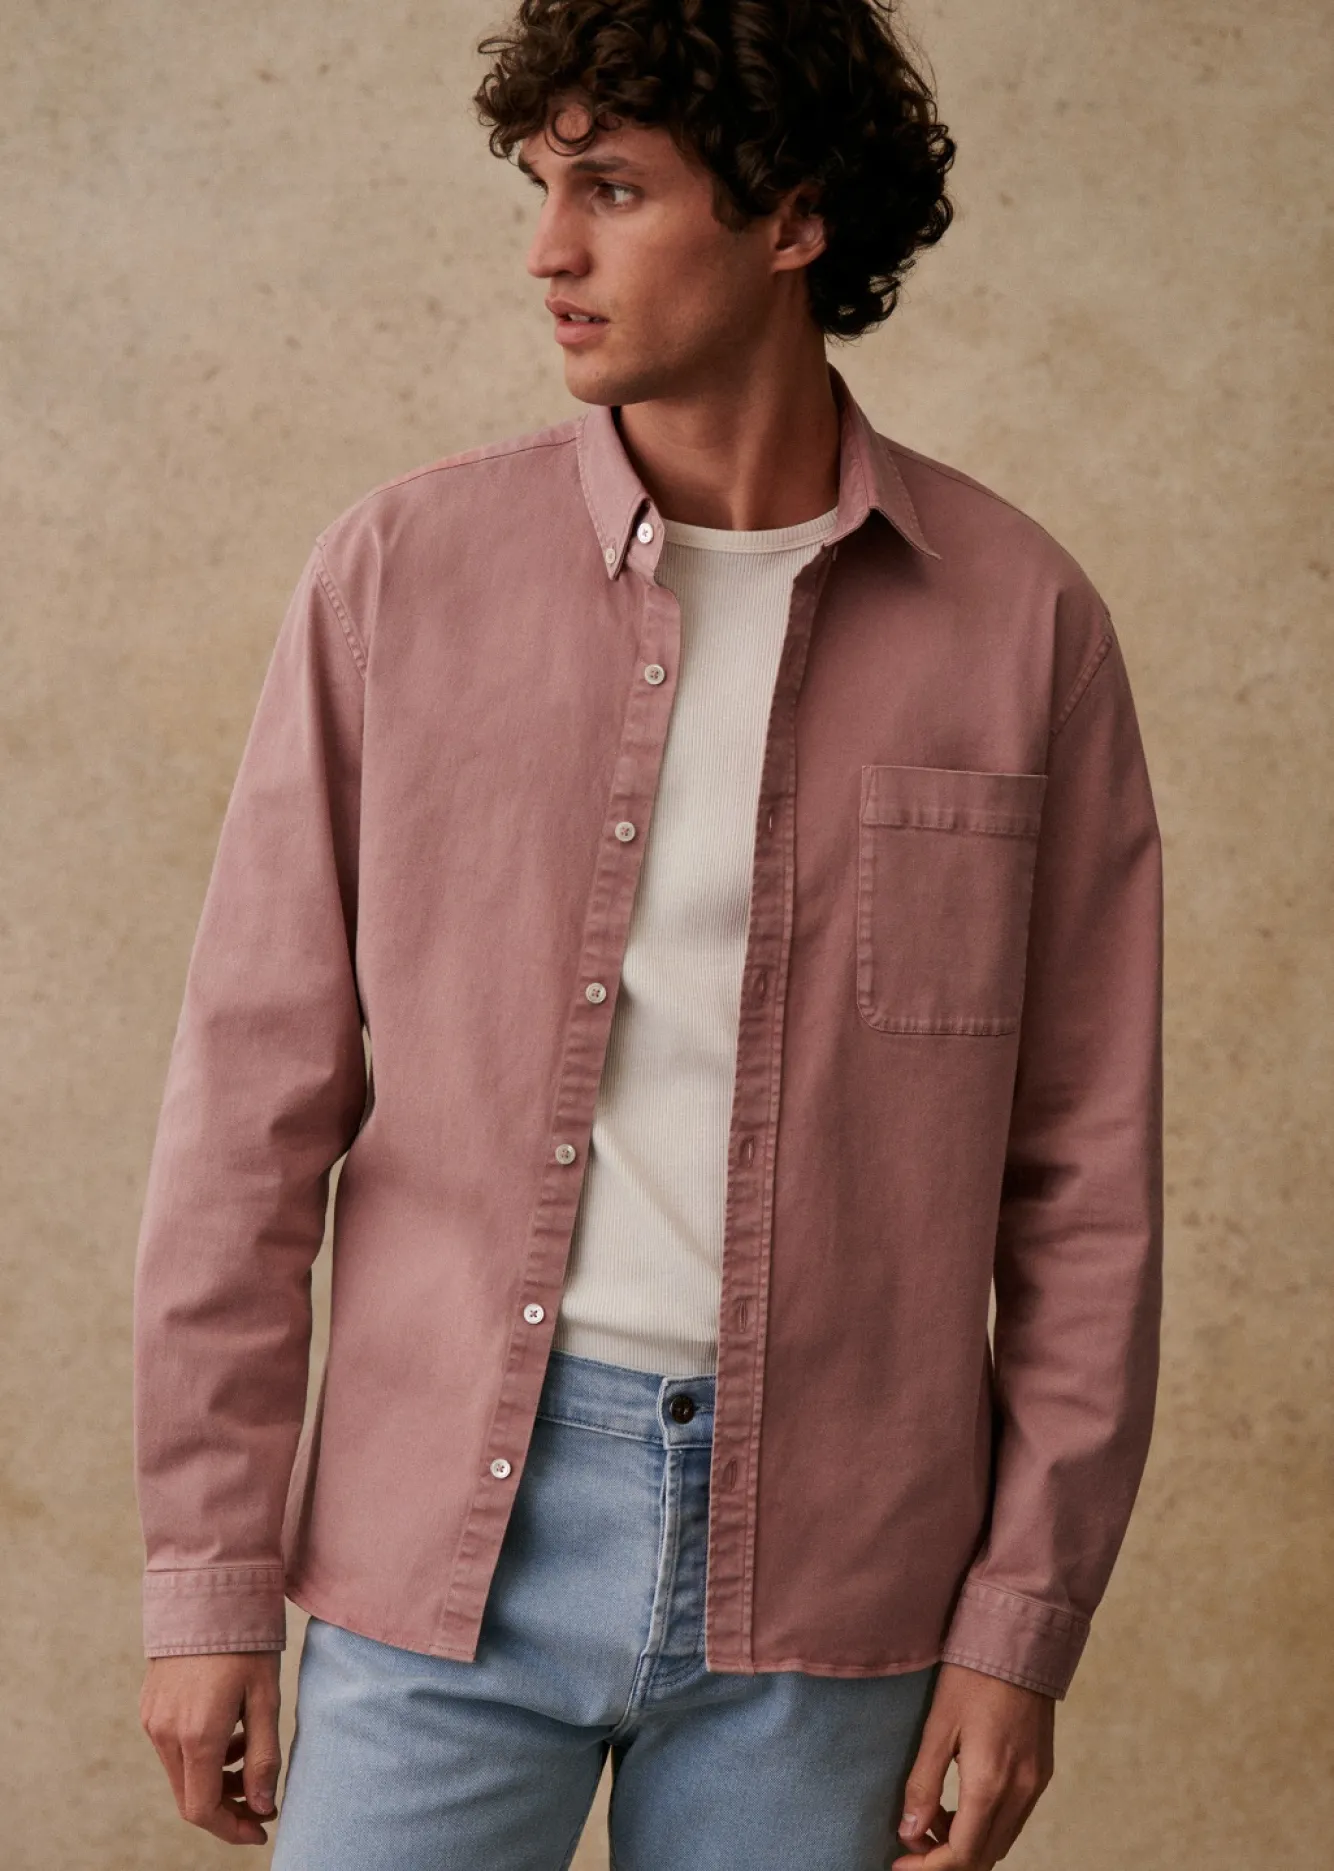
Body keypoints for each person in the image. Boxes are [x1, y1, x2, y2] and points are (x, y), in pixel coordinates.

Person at [134, 3, 1163, 1867]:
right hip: (442, 1545)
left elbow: (1083, 1182)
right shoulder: (397, 581)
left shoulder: (1022, 628)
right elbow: (246, 1115)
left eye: (611, 190)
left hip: (839, 1580)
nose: (548, 250)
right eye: (543, 188)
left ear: (792, 217)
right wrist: (208, 1576)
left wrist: (1021, 1624)